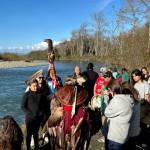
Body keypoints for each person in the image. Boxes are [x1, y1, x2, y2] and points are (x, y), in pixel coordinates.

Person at [104, 80, 134, 150]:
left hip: (115, 137)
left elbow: (107, 112)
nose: (109, 92)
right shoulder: (128, 98)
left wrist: (106, 98)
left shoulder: (117, 100)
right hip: (124, 134)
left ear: (113, 89)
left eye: (109, 90)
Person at [21, 79, 46, 150]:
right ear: (29, 86)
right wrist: (29, 114)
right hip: (29, 118)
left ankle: (37, 147)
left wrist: (41, 113)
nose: (35, 87)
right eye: (34, 86)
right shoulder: (26, 95)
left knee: (36, 133)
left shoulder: (40, 94)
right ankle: (28, 148)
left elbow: (43, 105)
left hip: (38, 117)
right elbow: (23, 106)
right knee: (29, 134)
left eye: (36, 86)